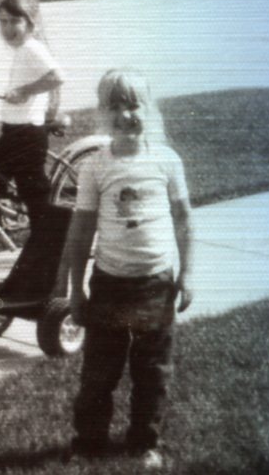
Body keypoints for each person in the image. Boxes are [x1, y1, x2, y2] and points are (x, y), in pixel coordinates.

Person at [64, 69, 194, 471]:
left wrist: (187, 273)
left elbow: (184, 221)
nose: (125, 115)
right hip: (109, 285)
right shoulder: (95, 167)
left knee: (152, 373)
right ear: (102, 114)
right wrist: (75, 289)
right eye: (114, 107)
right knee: (99, 373)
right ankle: (89, 443)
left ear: (149, 109)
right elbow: (81, 231)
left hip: (156, 285)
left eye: (133, 105)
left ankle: (144, 443)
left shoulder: (166, 161)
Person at [0, 0, 64, 233]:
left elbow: (57, 77)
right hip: (16, 130)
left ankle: (50, 237)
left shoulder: (31, 48)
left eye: (15, 21)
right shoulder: (23, 49)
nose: (7, 28)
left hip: (27, 134)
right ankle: (1, 220)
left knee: (32, 192)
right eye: (3, 21)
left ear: (30, 23)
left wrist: (25, 91)